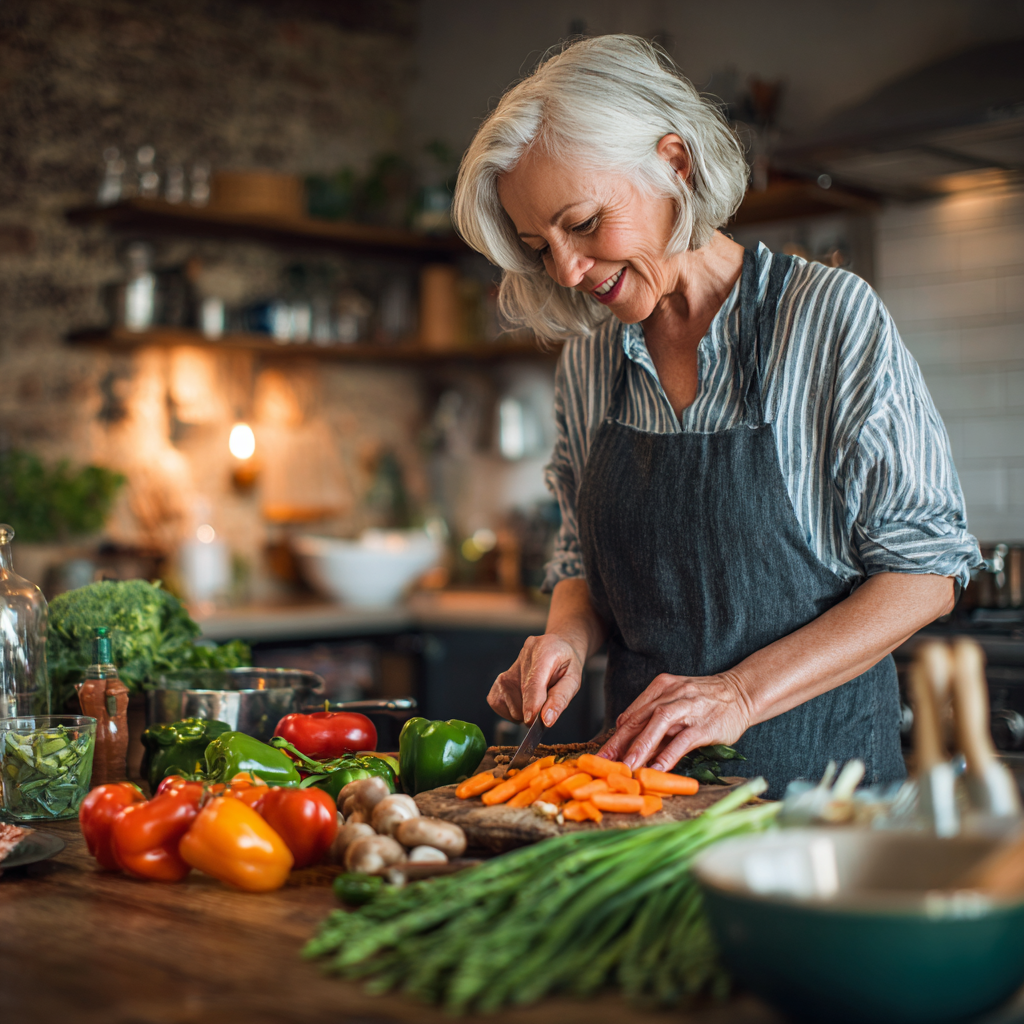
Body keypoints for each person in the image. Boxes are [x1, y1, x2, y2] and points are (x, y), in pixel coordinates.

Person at [451, 35, 980, 797]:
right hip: (638, 813)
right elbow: (581, 563)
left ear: (676, 163)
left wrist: (738, 694)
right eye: (540, 247)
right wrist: (565, 634)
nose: (566, 270)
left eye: (587, 223)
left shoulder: (827, 319)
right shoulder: (592, 359)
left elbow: (926, 573)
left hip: (823, 811)